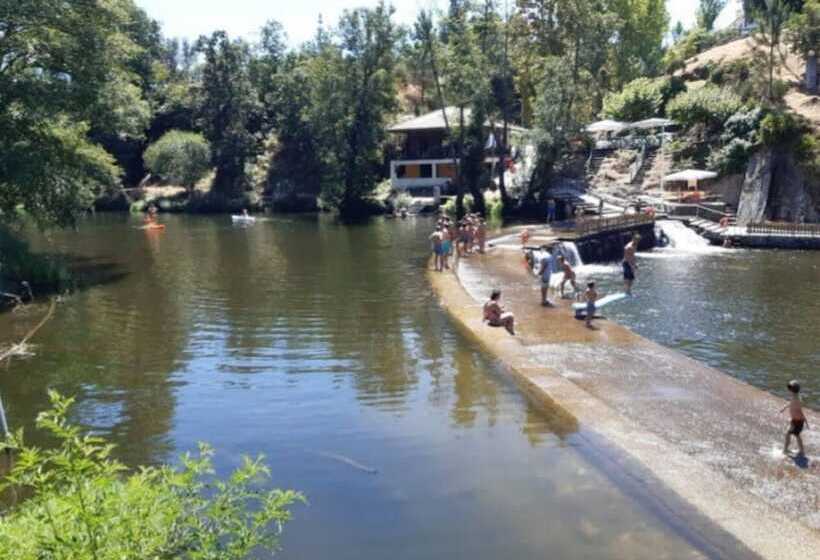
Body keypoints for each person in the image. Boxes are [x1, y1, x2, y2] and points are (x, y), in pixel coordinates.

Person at [781, 380, 809, 456]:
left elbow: (800, 411)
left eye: (789, 389)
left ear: (792, 390)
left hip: (798, 421)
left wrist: (806, 421)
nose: (788, 391)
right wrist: (784, 407)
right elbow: (791, 403)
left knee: (790, 434)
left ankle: (786, 450)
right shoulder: (794, 397)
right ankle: (800, 450)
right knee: (795, 435)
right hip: (795, 420)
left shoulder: (797, 399)